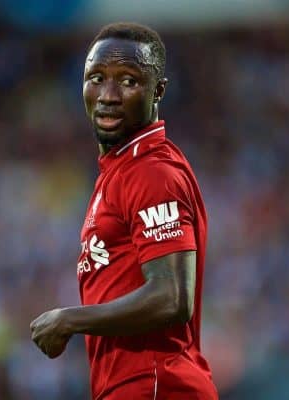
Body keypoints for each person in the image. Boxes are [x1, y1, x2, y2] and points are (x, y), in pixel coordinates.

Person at [30, 22, 218, 399]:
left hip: (155, 385)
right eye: (96, 78)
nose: (108, 95)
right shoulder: (120, 171)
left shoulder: (151, 172)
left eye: (129, 81)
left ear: (158, 90)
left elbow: (171, 297)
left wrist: (70, 320)